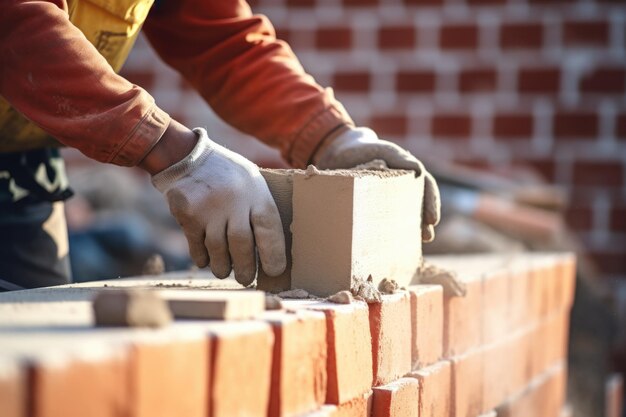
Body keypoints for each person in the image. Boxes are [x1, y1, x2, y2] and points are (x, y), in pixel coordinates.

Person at [0, 0, 440, 291]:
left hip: (20, 171)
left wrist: (330, 135)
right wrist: (175, 154)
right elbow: (18, 28)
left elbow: (224, 43)